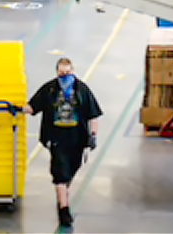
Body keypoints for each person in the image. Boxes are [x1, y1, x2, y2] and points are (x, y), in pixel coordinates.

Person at [19, 58, 103, 228]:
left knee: (71, 168)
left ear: (73, 71)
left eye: (67, 73)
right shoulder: (49, 89)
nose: (64, 76)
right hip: (56, 137)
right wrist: (17, 109)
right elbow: (33, 106)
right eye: (61, 73)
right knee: (60, 173)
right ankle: (64, 210)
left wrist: (93, 135)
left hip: (76, 138)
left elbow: (93, 114)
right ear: (57, 73)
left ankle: (62, 192)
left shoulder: (82, 90)